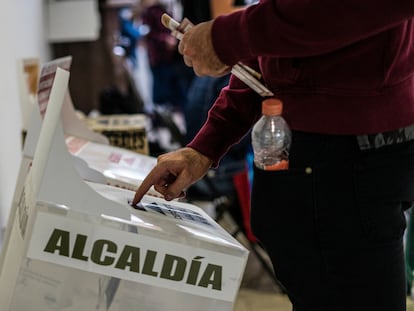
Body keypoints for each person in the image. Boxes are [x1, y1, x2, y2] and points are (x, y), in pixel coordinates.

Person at [133, 1, 414, 310]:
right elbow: (279, 45)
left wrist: (226, 38)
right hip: (323, 161)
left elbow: (330, 12)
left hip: (342, 164)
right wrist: (205, 145)